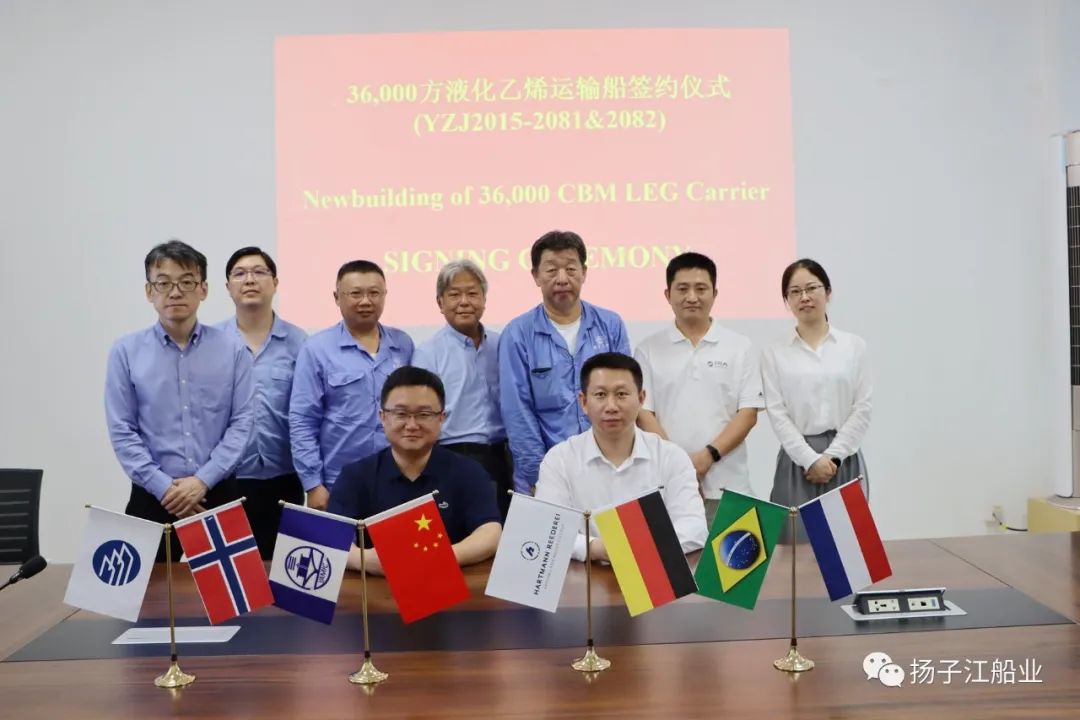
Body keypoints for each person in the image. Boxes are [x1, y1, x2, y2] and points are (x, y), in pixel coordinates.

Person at [105, 240, 253, 560]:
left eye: (186, 282)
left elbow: (242, 423)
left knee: (228, 590)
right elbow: (122, 430)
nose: (175, 292)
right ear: (149, 291)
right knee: (150, 589)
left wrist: (201, 481)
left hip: (217, 493)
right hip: (152, 496)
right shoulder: (126, 352)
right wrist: (164, 487)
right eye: (163, 283)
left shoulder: (233, 349)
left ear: (203, 289)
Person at [327, 366, 502, 574]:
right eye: (401, 414)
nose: (411, 425)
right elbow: (332, 539)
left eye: (423, 414)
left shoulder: (469, 472)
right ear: (383, 417)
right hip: (376, 587)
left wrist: (438, 557)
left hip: (450, 583)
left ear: (441, 418)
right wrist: (363, 560)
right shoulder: (355, 475)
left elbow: (490, 531)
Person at [533, 352, 707, 561]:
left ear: (641, 399)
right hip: (587, 574)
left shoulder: (671, 457)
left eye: (622, 394)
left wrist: (638, 547)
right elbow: (546, 529)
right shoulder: (559, 460)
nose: (611, 406)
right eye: (600, 395)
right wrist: (595, 548)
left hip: (655, 569)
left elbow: (694, 527)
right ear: (583, 402)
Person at [498, 230, 630, 493]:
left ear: (584, 272)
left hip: (609, 468)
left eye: (570, 269)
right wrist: (539, 477)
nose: (562, 279)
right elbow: (517, 412)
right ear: (536, 276)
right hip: (545, 471)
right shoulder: (517, 334)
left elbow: (625, 396)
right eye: (551, 270)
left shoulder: (610, 325)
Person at [634, 252, 764, 521]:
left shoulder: (740, 346)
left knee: (734, 550)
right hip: (667, 485)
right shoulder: (648, 349)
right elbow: (644, 414)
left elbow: (748, 414)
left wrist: (708, 456)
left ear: (714, 294)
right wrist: (680, 465)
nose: (692, 297)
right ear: (668, 294)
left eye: (701, 289)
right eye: (682, 289)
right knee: (670, 551)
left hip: (729, 486)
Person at [761, 259, 872, 542]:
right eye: (795, 292)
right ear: (787, 300)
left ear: (828, 292)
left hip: (843, 459)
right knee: (795, 548)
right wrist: (810, 460)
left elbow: (862, 408)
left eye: (811, 288)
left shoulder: (853, 346)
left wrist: (833, 456)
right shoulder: (774, 352)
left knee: (846, 549)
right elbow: (777, 413)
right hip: (797, 462)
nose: (804, 297)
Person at [289, 260, 413, 509]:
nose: (366, 301)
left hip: (400, 479)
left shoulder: (403, 344)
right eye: (355, 293)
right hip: (338, 483)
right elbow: (303, 420)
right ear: (337, 297)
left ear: (385, 295)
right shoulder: (317, 349)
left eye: (374, 293)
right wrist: (313, 485)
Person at [217, 246, 307, 559]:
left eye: (259, 272)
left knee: (285, 568)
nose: (250, 280)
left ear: (275, 282)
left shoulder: (300, 343)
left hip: (285, 478)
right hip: (226, 480)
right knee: (233, 573)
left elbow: (308, 414)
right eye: (240, 274)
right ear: (228, 286)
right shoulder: (211, 342)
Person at [413, 260, 512, 518]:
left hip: (503, 456)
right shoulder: (428, 354)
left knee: (502, 529)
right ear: (440, 303)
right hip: (452, 454)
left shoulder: (503, 344)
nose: (464, 302)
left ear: (484, 299)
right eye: (455, 295)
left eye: (472, 293)